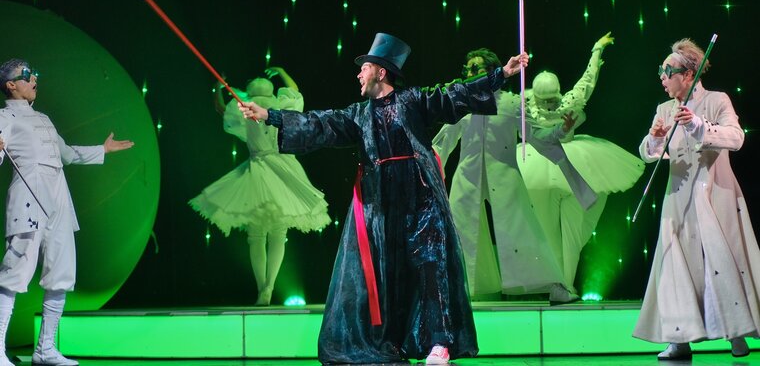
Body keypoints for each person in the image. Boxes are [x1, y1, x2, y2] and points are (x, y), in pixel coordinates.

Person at [239, 33, 528, 365]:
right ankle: (391, 342)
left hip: (421, 196)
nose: (358, 75)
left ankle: (440, 342)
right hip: (382, 204)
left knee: (430, 266)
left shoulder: (414, 100)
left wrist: (501, 74)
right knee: (387, 273)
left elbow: (454, 94)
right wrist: (270, 115)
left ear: (380, 71)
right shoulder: (358, 115)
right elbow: (320, 122)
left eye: (364, 68)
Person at [0, 58, 134, 366]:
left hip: (59, 198)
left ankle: (45, 349)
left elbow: (67, 154)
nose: (34, 78)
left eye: (34, 73)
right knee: (15, 272)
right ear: (11, 85)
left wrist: (102, 150)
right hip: (29, 196)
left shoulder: (44, 118)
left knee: (61, 273)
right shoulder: (4, 116)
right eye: (27, 75)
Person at [433, 48, 594, 302]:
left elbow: (537, 136)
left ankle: (556, 286)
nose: (470, 74)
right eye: (468, 70)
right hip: (467, 178)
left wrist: (561, 131)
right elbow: (444, 142)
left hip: (504, 177)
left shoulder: (511, 104)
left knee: (525, 232)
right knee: (457, 232)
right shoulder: (463, 104)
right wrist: (427, 167)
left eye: (476, 69)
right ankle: (454, 291)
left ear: (492, 71)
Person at [633, 38, 760, 360]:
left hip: (715, 195)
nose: (662, 78)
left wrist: (699, 125)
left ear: (688, 74)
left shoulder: (717, 100)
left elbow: (737, 137)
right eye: (661, 72)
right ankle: (679, 338)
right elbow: (650, 154)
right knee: (676, 264)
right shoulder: (664, 109)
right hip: (678, 199)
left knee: (721, 261)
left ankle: (736, 331)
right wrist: (654, 140)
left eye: (667, 72)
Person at [190, 67, 331, 306]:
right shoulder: (280, 106)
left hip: (262, 167)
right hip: (282, 166)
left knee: (257, 235)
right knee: (276, 233)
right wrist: (282, 72)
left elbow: (221, 109)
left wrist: (217, 89)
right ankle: (268, 287)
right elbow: (295, 90)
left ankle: (263, 289)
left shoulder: (246, 107)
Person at [515, 32, 644, 291]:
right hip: (542, 167)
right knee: (551, 230)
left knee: (571, 230)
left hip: (569, 164)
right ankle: (559, 283)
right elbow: (587, 82)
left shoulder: (562, 103)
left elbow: (587, 81)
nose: (550, 105)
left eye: (553, 100)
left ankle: (564, 284)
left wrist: (597, 50)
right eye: (546, 101)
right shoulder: (527, 107)